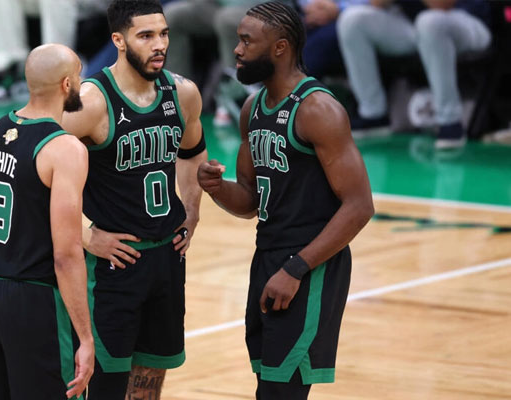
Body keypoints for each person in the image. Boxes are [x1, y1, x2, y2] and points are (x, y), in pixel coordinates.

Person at [197, 2, 373, 398]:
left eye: (246, 41)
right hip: (268, 257)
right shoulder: (251, 109)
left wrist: (295, 269)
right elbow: (249, 202)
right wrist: (217, 187)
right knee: (268, 384)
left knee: (281, 392)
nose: (237, 50)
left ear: (279, 48)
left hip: (310, 265)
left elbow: (360, 207)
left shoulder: (318, 110)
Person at [61, 1, 208, 398]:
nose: (159, 44)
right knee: (105, 386)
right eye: (146, 36)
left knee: (149, 381)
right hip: (114, 265)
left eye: (163, 34)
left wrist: (192, 212)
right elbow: (34, 169)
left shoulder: (183, 93)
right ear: (119, 41)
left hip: (166, 259)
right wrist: (85, 236)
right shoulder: (91, 101)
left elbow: (192, 154)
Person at [0, 43, 94, 399]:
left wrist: (3, 269)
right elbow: (66, 254)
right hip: (36, 303)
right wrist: (85, 337)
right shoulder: (65, 149)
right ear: (66, 84)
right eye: (78, 75)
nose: (81, 82)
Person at [337, 0, 491, 148]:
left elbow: (442, 4)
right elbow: (376, 3)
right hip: (412, 25)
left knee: (429, 23)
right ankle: (373, 114)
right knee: (352, 20)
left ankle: (450, 121)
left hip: (466, 20)